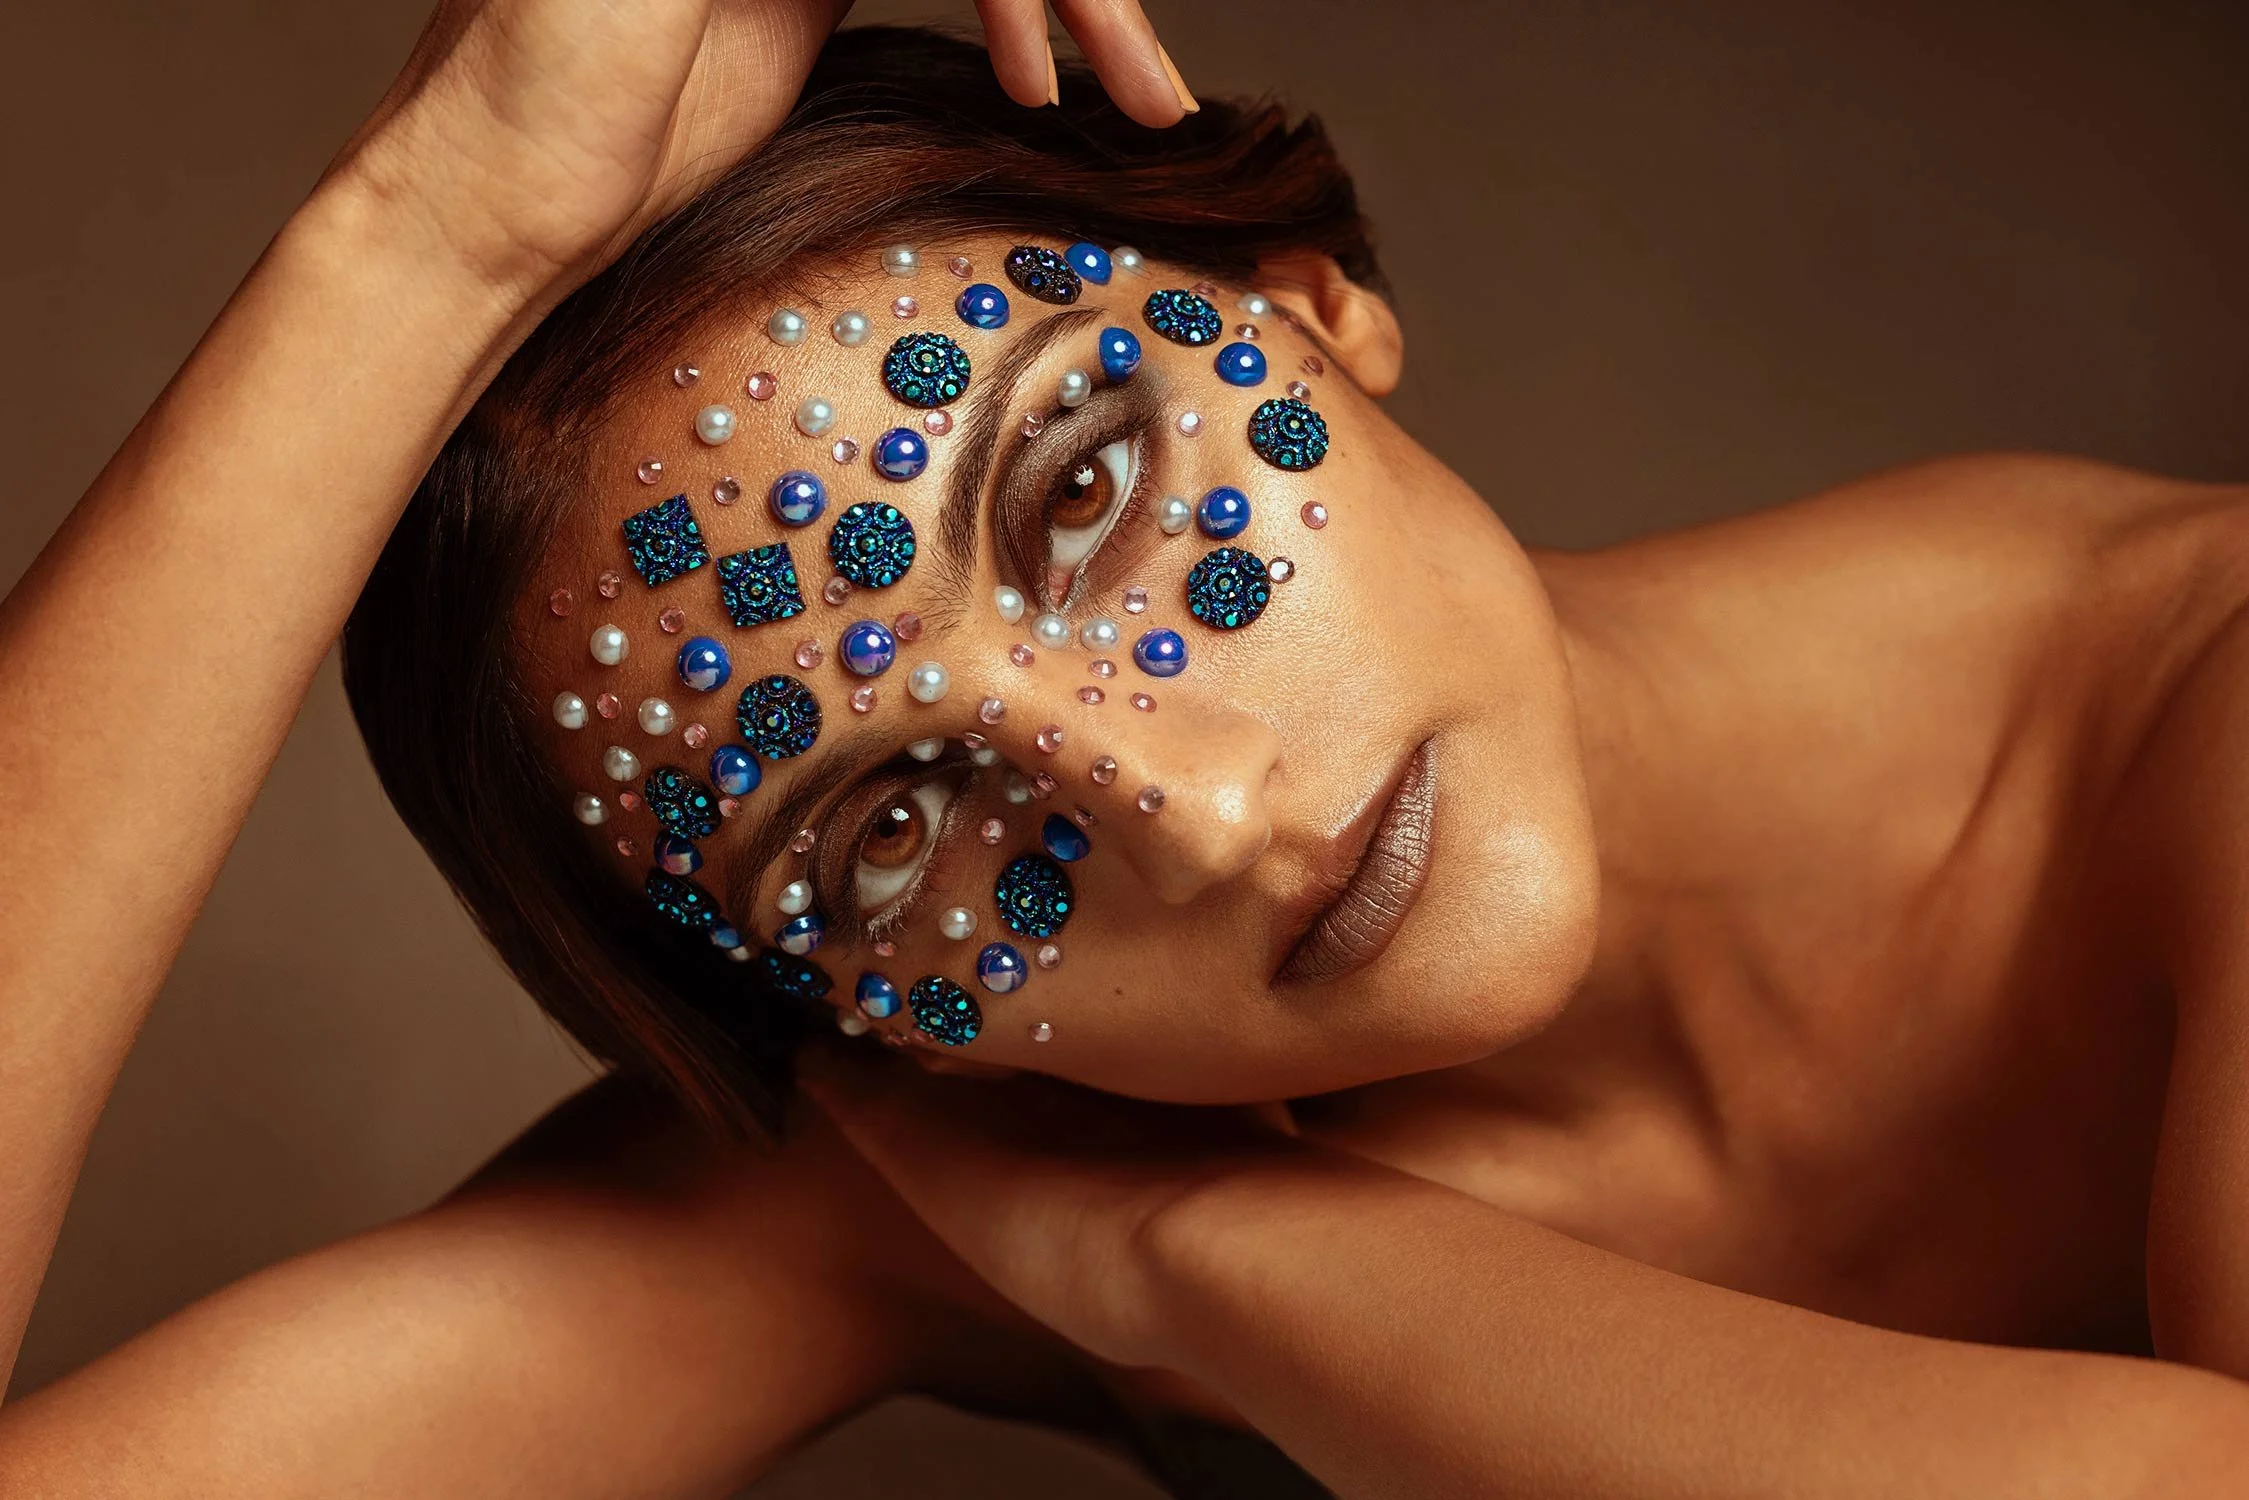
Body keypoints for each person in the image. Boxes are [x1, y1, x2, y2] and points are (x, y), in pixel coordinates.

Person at [2, 2, 2247, 1495]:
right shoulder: (935, 1164)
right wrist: (416, 237)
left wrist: (1184, 1255)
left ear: (1292, 291)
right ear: (871, 1024)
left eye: (1080, 496)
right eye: (888, 837)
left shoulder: (2196, 710)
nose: (1176, 810)